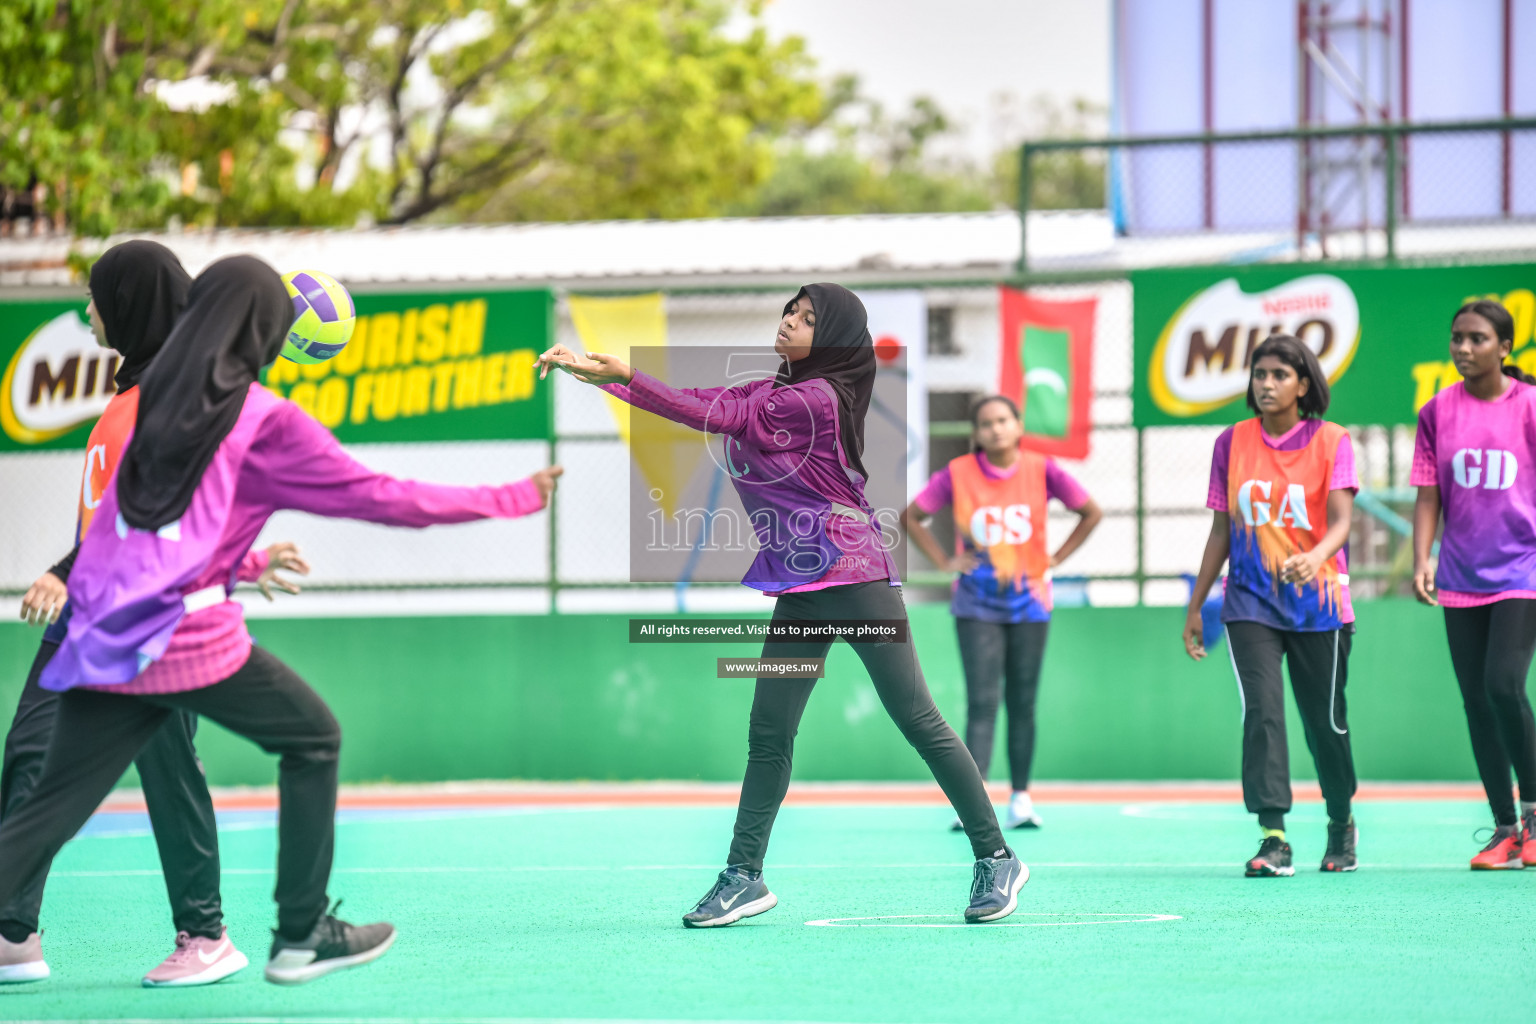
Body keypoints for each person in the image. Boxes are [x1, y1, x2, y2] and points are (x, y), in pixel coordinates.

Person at [0, 255, 562, 986]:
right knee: (315, 738)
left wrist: (232, 569)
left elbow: (135, 526)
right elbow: (382, 496)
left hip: (108, 640)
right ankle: (300, 934)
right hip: (188, 639)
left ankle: (199, 934)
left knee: (45, 810)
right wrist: (511, 496)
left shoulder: (158, 395)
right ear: (268, 329)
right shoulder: (259, 415)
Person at [539, 283, 1026, 926]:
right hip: (802, 587)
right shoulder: (766, 391)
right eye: (790, 312)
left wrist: (627, 372)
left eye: (807, 319)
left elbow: (716, 419)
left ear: (833, 341)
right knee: (769, 730)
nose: (790, 322)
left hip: (854, 578)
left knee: (915, 719)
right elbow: (698, 405)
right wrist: (607, 380)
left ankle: (996, 857)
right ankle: (744, 876)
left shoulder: (818, 400)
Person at [1, 240, 303, 988]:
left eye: (97, 297)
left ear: (130, 302)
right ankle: (13, 935)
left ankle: (206, 935)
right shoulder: (133, 394)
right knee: (31, 754)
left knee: (167, 768)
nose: (87, 310)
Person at [1182, 334, 1360, 877]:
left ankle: (1340, 820)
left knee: (1325, 723)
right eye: (1259, 374)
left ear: (1303, 384)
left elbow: (1343, 521)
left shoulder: (1333, 440)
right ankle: (1274, 836)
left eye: (1279, 375)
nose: (1266, 384)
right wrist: (1196, 606)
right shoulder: (1231, 442)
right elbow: (1221, 532)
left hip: (1320, 603)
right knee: (1262, 713)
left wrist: (1318, 557)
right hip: (1249, 601)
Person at [901, 395, 1100, 831]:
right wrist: (944, 562)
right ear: (976, 432)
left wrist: (1056, 560)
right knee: (982, 703)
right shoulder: (958, 474)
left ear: (1018, 425)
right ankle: (972, 802)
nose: (995, 429)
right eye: (986, 423)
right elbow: (912, 516)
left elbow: (1090, 511)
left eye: (1003, 420)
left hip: (1030, 603)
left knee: (1023, 702)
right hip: (976, 604)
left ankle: (1022, 798)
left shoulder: (1041, 469)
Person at [1411, 300, 1536, 870]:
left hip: (1522, 569)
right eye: (1457, 338)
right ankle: (1505, 829)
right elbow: (1429, 493)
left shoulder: (1530, 405)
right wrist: (1423, 559)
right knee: (1476, 701)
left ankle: (1534, 816)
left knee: (1504, 684)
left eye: (1477, 339)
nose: (1463, 348)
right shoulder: (1437, 411)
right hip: (1461, 574)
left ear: (1505, 348)